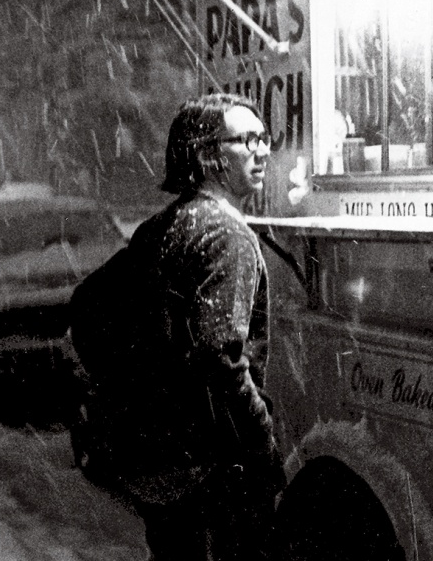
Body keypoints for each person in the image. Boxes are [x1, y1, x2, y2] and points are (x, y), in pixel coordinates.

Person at [97, 92, 284, 561]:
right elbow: (218, 357)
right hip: (210, 468)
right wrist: (262, 439)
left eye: (264, 138)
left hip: (155, 458)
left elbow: (92, 308)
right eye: (247, 140)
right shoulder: (227, 235)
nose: (263, 150)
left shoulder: (157, 227)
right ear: (207, 155)